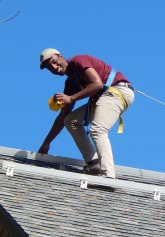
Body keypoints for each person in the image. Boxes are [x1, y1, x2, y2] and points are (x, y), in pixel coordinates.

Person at [38, 48, 135, 179]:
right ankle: (94, 163)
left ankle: (108, 176)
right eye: (50, 68)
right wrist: (47, 142)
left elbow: (97, 84)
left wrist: (71, 98)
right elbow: (62, 117)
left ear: (60, 56)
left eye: (54, 62)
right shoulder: (71, 83)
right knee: (70, 120)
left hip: (119, 91)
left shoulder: (78, 61)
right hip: (104, 97)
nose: (54, 67)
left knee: (98, 129)